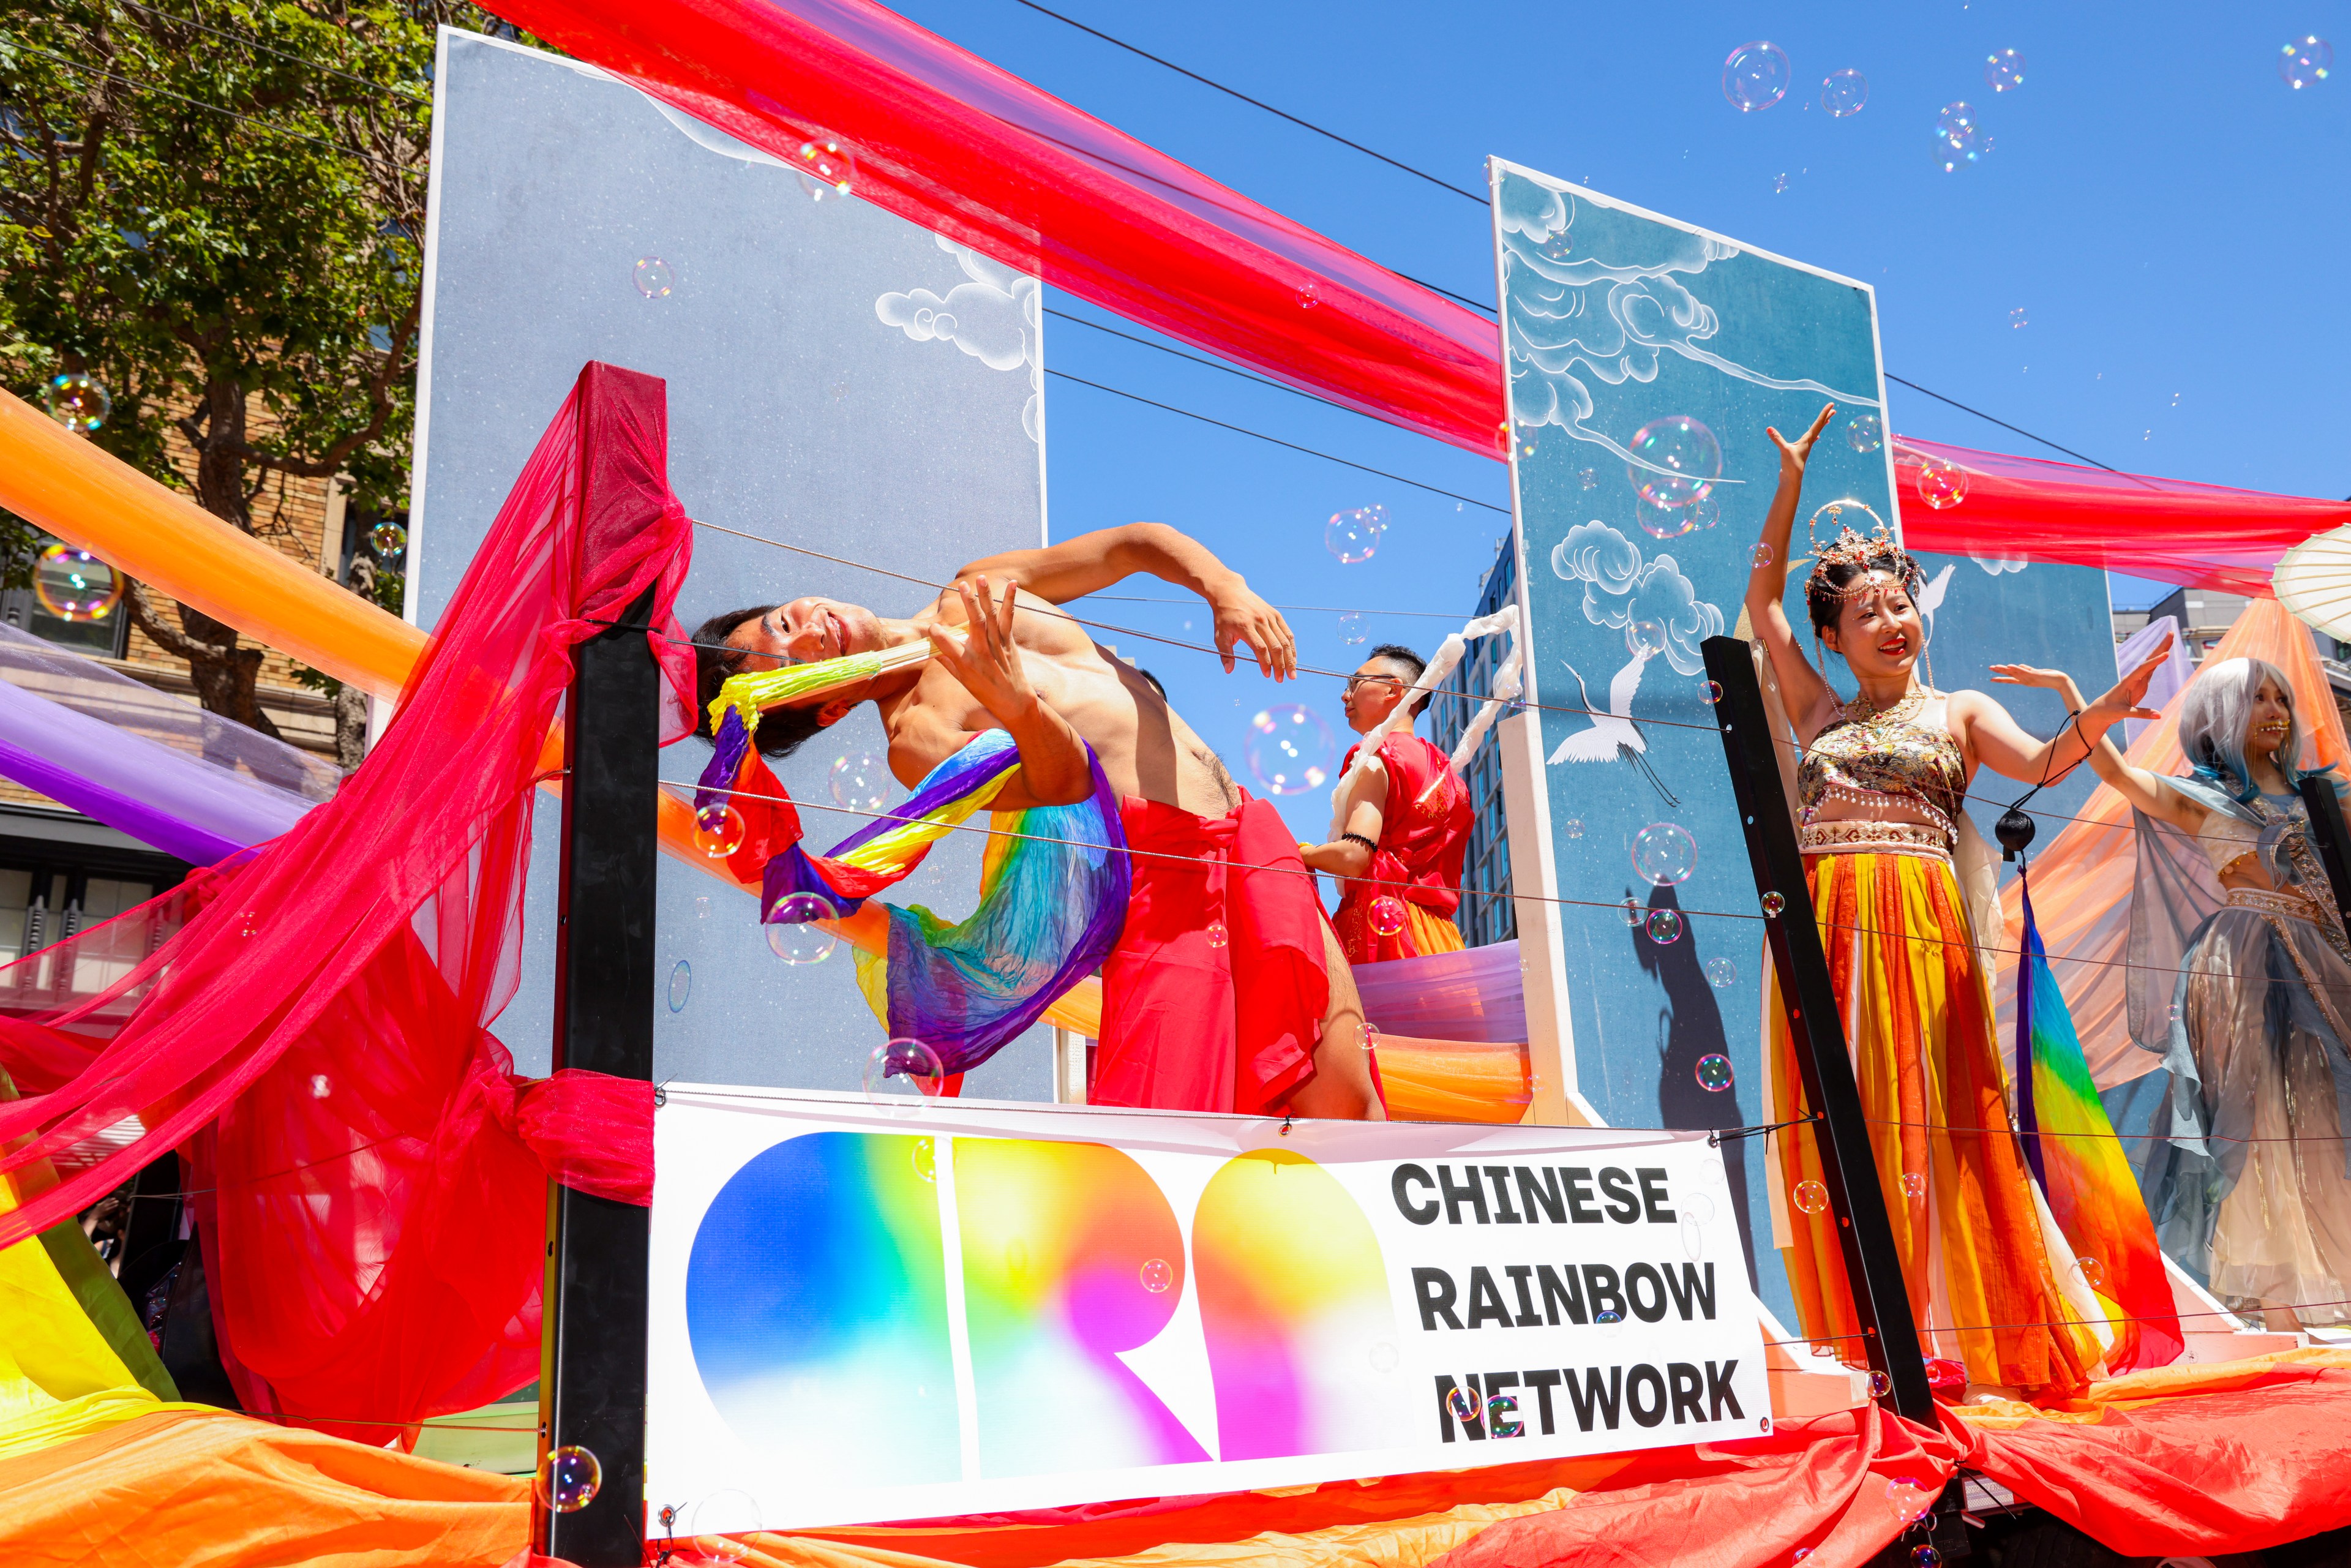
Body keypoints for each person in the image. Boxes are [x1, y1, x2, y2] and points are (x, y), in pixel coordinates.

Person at [1744, 402, 2168, 1395]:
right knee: (1842, 1120)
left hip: (1922, 924)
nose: (1895, 622)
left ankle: (1947, 1332)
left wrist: (2093, 704)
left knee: (1935, 1117)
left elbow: (2049, 765)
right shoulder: (1818, 709)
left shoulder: (1959, 710)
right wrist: (1790, 485)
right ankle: (1875, 1342)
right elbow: (1761, 599)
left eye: (1902, 605)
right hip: (1828, 928)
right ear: (1833, 637)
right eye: (1869, 614)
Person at [694, 522, 1382, 1120]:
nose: (814, 630)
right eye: (798, 659)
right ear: (828, 710)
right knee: (1206, 1123)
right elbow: (1062, 786)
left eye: (787, 621)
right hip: (1160, 888)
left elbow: (1127, 547)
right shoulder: (915, 736)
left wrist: (1224, 587)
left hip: (1245, 830)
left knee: (1350, 1096)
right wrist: (1020, 708)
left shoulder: (974, 585)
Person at [1999, 655, 2351, 1330]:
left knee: (2327, 1115)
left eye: (2281, 697)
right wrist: (2077, 694)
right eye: (2256, 699)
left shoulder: (2323, 795)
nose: (2275, 710)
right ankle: (2277, 1304)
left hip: (2328, 956)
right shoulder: (2200, 795)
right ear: (2218, 716)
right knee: (2259, 1121)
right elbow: (2116, 774)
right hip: (2248, 961)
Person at [1300, 645, 1474, 964]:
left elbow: (1355, 855)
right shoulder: (1449, 776)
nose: (1344, 695)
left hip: (1384, 935)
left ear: (1394, 689)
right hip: (1442, 941)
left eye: (1355, 683)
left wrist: (1298, 852)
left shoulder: (1376, 757)